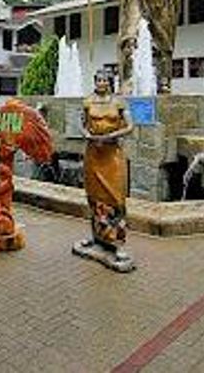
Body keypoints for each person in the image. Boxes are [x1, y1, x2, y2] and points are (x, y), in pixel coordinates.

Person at [74, 69, 135, 271]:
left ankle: (117, 244)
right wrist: (87, 135)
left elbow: (130, 126)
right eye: (98, 79)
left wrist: (112, 135)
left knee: (116, 198)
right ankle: (97, 238)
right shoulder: (88, 101)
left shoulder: (118, 102)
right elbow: (81, 124)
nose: (101, 83)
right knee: (94, 196)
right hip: (93, 153)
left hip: (112, 153)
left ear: (110, 82)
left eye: (104, 80)